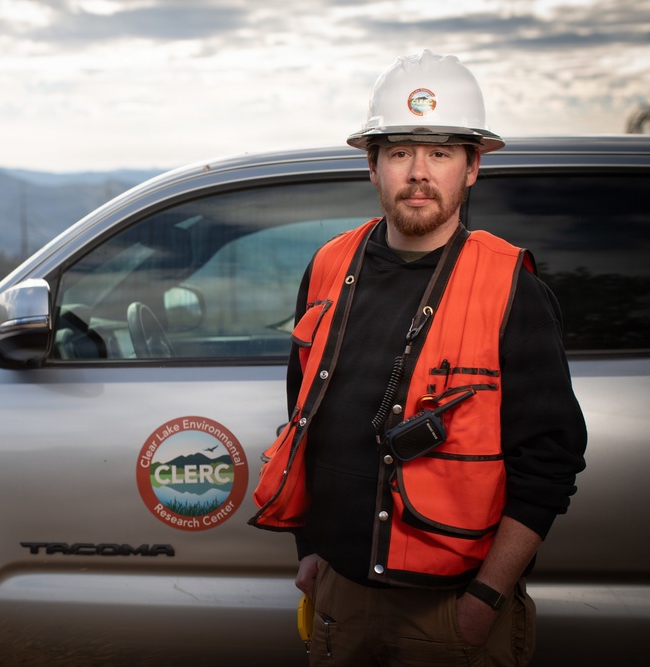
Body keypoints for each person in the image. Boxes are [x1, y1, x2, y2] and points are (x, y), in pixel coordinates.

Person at [249, 50, 587, 666]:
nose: (419, 172)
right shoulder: (327, 267)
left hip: (454, 610)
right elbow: (303, 417)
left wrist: (486, 597)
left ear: (473, 167)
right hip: (340, 599)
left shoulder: (511, 288)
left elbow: (550, 464)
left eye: (441, 153)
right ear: (372, 166)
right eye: (401, 151)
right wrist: (309, 547)